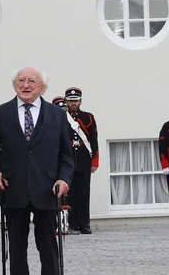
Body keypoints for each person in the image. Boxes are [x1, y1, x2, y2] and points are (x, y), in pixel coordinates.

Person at [0, 66, 74, 275]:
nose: (25, 85)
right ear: (14, 85)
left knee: (48, 246)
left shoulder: (57, 115)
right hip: (13, 188)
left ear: (42, 87)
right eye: (21, 80)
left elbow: (66, 155)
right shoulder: (0, 113)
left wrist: (63, 180)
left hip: (47, 189)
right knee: (17, 247)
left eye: (32, 81)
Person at [64, 87, 99, 235]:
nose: (73, 103)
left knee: (84, 192)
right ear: (66, 101)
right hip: (68, 158)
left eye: (76, 100)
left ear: (80, 101)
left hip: (84, 158)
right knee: (70, 193)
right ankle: (72, 224)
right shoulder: (60, 117)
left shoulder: (88, 117)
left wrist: (94, 161)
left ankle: (85, 224)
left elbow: (93, 139)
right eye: (71, 100)